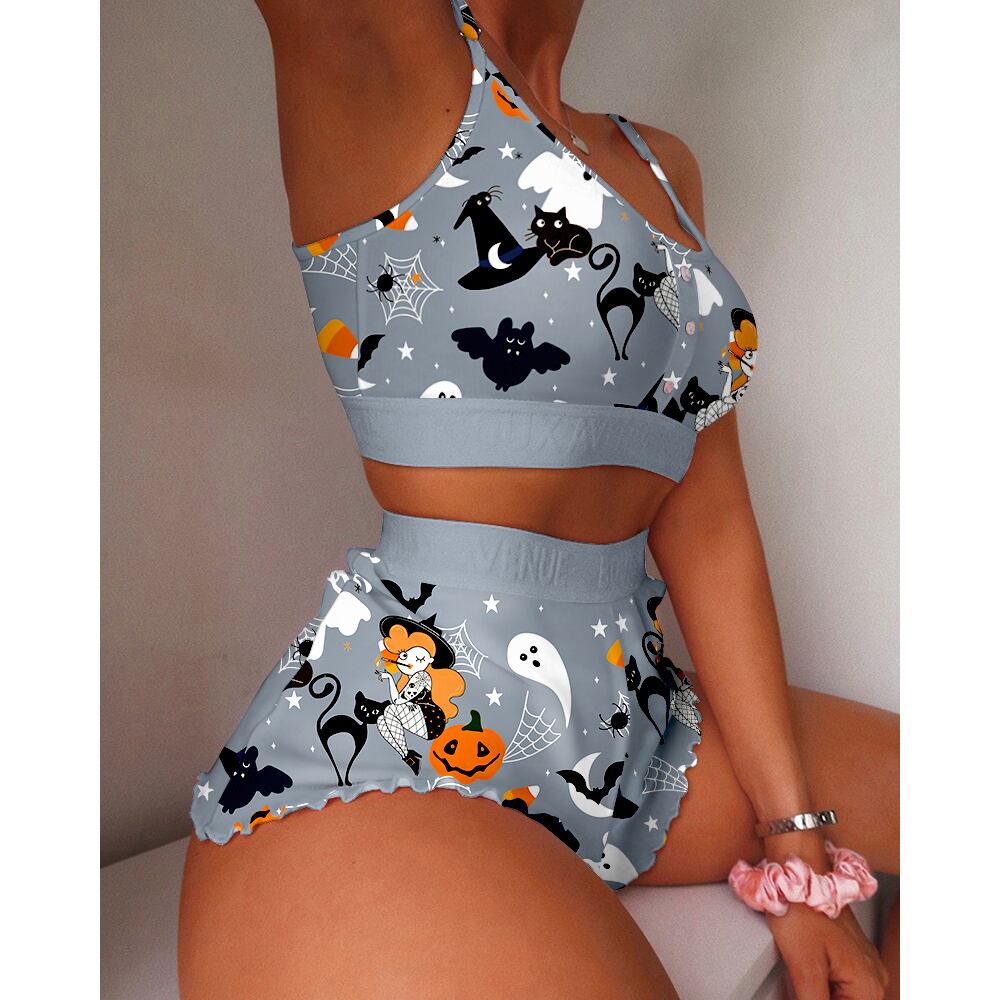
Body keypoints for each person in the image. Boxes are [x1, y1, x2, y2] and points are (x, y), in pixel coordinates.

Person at [179, 3, 898, 998]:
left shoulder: (662, 166)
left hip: (636, 729)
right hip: (399, 745)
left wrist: (798, 854)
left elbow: (707, 516)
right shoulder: (385, 50)